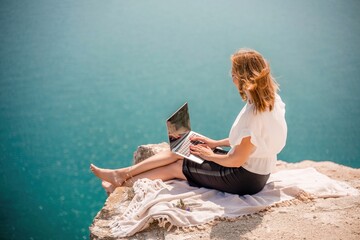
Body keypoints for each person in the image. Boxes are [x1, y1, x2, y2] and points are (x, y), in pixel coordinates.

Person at [90, 48, 287, 195]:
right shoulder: (272, 101)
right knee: (182, 147)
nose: (232, 77)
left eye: (234, 73)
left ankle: (121, 184)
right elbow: (251, 139)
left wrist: (209, 156)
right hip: (255, 171)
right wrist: (214, 144)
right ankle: (122, 173)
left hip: (244, 179)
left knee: (177, 167)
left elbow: (236, 159)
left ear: (244, 78)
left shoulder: (253, 115)